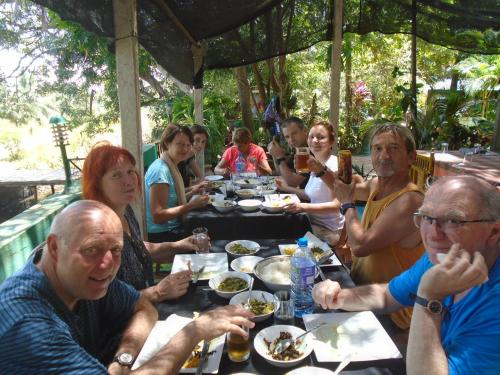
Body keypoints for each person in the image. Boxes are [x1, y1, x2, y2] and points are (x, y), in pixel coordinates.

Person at [0, 200, 255, 373]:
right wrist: (193, 332)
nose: (107, 265)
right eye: (91, 250)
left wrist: (122, 360)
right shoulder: (27, 323)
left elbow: (142, 305)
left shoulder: (82, 278)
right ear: (54, 248)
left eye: (116, 250)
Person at [312, 176, 500, 375]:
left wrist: (429, 298)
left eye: (453, 220)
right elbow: (386, 296)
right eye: (426, 217)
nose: (432, 234)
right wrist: (338, 297)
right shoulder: (440, 258)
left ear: (494, 231)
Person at [310, 123, 425, 329]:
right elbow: (343, 188)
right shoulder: (376, 186)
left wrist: (347, 205)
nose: (384, 155)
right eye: (377, 148)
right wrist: (320, 170)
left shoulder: (410, 200)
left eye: (393, 148)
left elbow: (360, 247)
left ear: (411, 156)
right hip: (359, 290)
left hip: (390, 312)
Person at [82, 143, 199, 303]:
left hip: (147, 306)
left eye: (130, 171)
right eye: (116, 175)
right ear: (97, 184)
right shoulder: (96, 233)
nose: (129, 181)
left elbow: (139, 248)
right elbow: (104, 304)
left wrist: (177, 245)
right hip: (127, 321)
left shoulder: (126, 211)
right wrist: (158, 292)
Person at [276, 121, 344, 246]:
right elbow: (310, 195)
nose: (315, 141)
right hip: (311, 223)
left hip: (329, 231)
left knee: (281, 236)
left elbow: (337, 205)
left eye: (321, 137)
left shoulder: (335, 165)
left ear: (332, 142)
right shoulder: (315, 164)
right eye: (311, 137)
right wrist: (285, 188)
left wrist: (302, 207)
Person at [145, 124, 210, 243]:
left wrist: (193, 190)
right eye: (179, 144)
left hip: (172, 229)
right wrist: (192, 205)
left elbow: (172, 198)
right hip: (163, 235)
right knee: (212, 233)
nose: (185, 149)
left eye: (188, 145)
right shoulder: (160, 171)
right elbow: (158, 216)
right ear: (166, 143)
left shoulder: (170, 165)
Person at [267, 116, 310, 188]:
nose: (291, 139)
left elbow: (292, 182)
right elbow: (282, 173)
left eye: (294, 133)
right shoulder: (299, 150)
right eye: (287, 136)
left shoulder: (307, 152)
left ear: (305, 131)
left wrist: (280, 157)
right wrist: (274, 154)